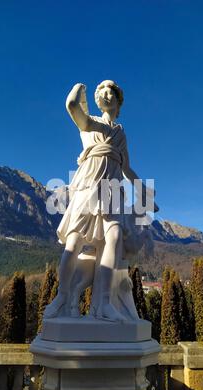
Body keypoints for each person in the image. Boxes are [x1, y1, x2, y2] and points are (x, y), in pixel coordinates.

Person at [44, 81, 156, 321]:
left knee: (114, 239)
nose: (106, 93)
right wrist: (78, 88)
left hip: (113, 189)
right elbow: (72, 105)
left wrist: (143, 192)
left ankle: (104, 303)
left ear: (118, 100)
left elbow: (127, 168)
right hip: (88, 185)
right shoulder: (90, 124)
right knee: (73, 243)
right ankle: (63, 296)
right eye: (101, 90)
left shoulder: (120, 133)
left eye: (110, 90)